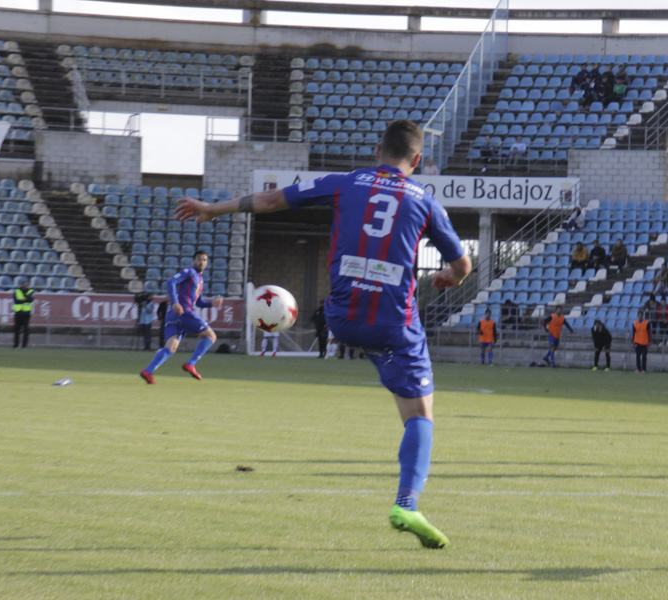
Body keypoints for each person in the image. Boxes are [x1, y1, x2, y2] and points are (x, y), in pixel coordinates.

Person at [173, 119, 470, 550]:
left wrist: (212, 209)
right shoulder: (425, 202)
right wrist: (446, 277)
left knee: (355, 313)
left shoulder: (344, 183)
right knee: (419, 415)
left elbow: (274, 200)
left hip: (341, 318)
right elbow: (463, 266)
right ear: (418, 160)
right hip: (392, 324)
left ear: (376, 149)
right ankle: (406, 503)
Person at [139, 251, 224, 383]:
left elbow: (199, 302)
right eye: (199, 259)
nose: (201, 262)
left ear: (207, 263)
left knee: (171, 347)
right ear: (193, 261)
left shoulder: (200, 279)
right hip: (184, 312)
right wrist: (176, 302)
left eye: (204, 260)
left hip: (174, 316)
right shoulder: (189, 272)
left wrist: (211, 304)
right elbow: (171, 282)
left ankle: (148, 371)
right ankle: (191, 363)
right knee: (211, 336)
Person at [12, 278, 34, 349]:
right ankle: (16, 345)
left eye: (27, 285)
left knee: (26, 330)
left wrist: (23, 300)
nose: (26, 286)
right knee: (16, 330)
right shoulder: (17, 291)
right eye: (25, 284)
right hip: (18, 313)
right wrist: (25, 300)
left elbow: (30, 300)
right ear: (22, 285)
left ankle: (24, 345)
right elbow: (16, 301)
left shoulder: (30, 291)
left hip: (26, 313)